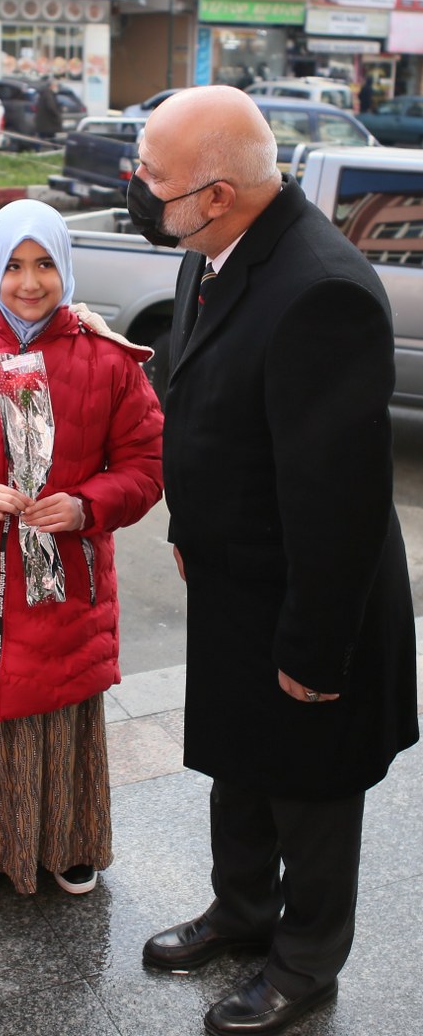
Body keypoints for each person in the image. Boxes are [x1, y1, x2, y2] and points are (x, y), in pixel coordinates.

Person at [131, 86, 418, 1034]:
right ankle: (241, 910)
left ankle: (304, 963)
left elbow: (335, 499)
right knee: (240, 766)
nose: (138, 191)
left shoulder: (320, 289)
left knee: (310, 789)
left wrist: (312, 649)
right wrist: (185, 529)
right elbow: (207, 402)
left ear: (215, 193)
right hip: (232, 579)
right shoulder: (210, 253)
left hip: (307, 596)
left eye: (153, 179)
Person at [0, 200, 164, 902]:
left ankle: (71, 844)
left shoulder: (106, 362)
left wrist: (85, 506)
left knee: (64, 718)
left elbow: (145, 464)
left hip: (67, 591)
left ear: (63, 267)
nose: (29, 282)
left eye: (44, 263)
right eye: (12, 265)